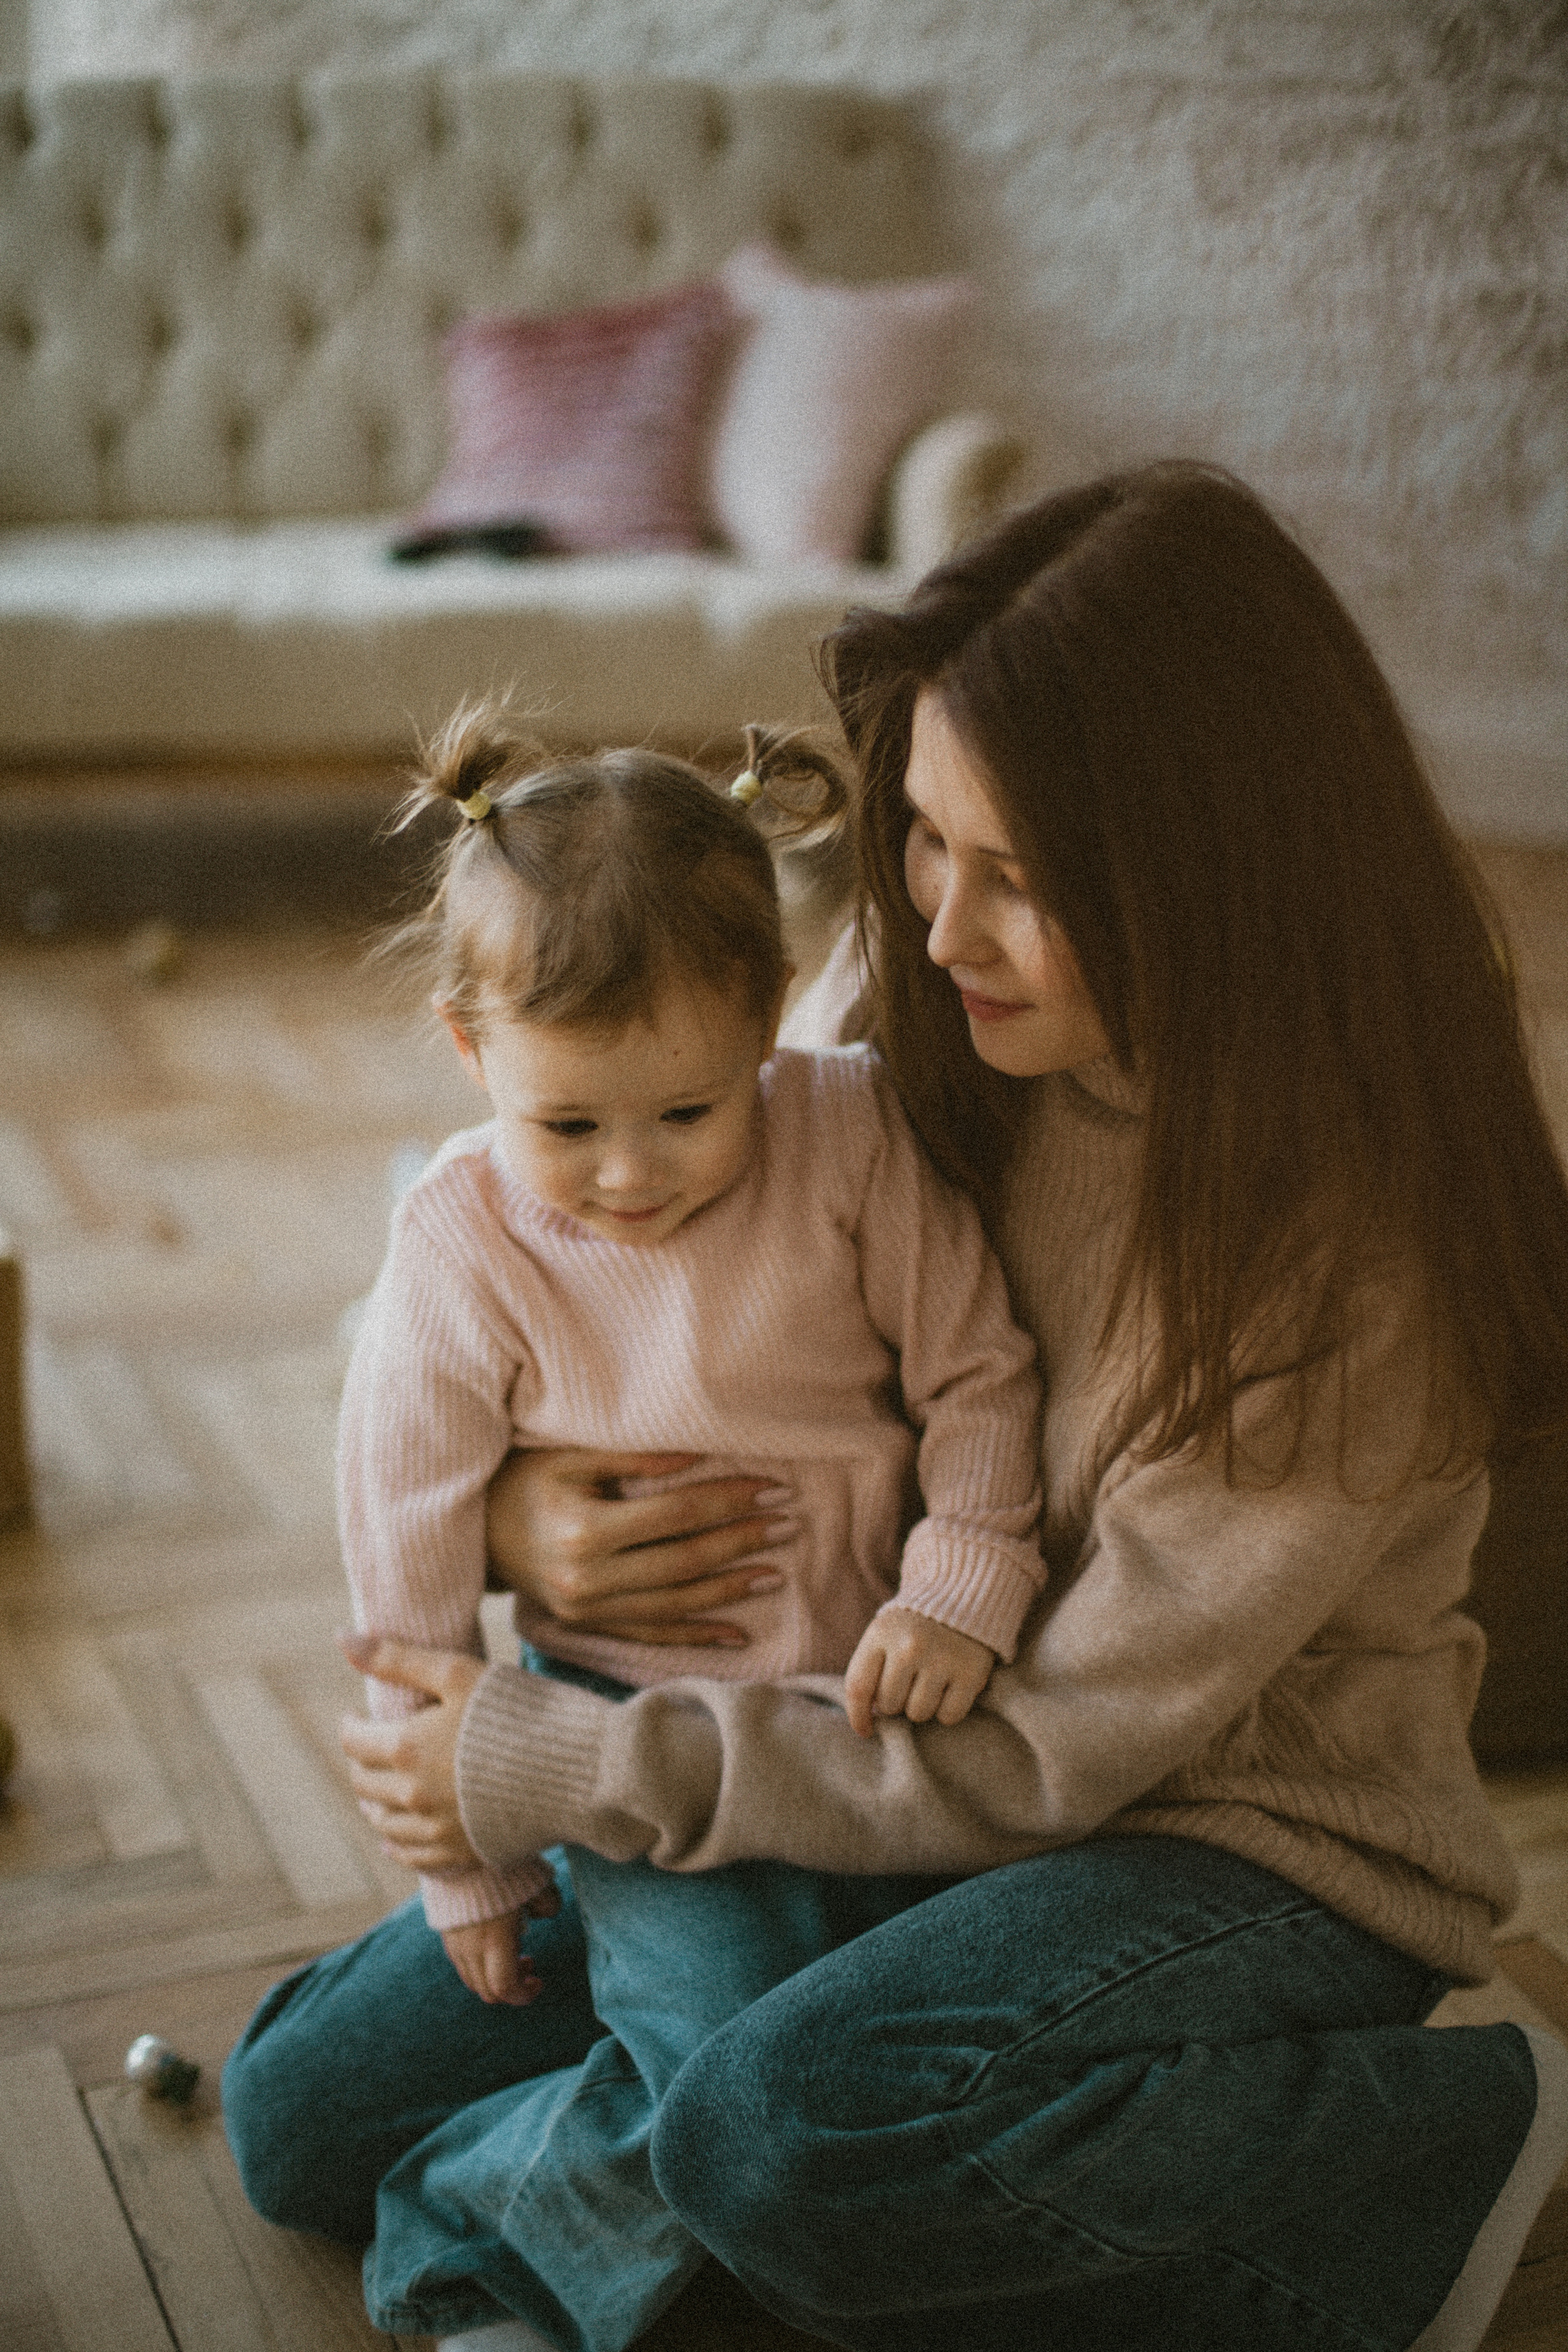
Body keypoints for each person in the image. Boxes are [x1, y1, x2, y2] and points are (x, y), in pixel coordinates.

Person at [224, 462, 1568, 2352]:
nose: (940, 925)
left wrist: (578, 1768)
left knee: (784, 2139)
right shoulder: (940, 1014)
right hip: (840, 1743)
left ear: (1216, 865)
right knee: (298, 2119)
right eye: (927, 840)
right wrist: (523, 1509)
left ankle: (1444, 2136)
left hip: (1214, 1836)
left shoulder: (1345, 1259)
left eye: (1018, 878)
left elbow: (1049, 1757)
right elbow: (551, 1261)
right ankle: (741, 2177)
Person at [321, 701, 1047, 2342]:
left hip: (861, 1726)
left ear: (770, 1027)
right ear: (467, 1046)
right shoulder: (459, 1241)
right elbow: (407, 1561)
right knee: (720, 2045)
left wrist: (967, 1577)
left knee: (788, 2059)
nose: (632, 1177)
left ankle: (520, 2189)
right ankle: (468, 2241)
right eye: (568, 1126)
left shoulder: (853, 1133)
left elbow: (984, 1380)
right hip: (616, 1733)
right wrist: (463, 1859)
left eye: (689, 1114)